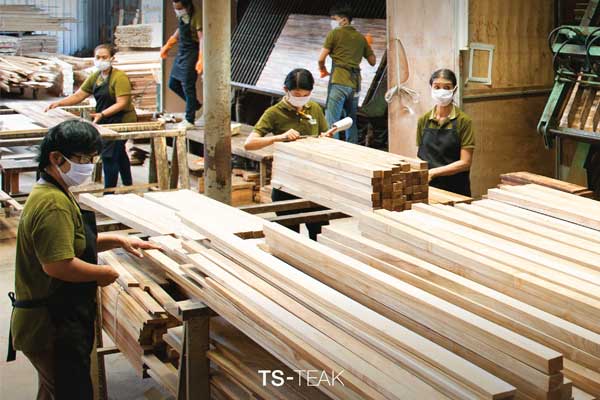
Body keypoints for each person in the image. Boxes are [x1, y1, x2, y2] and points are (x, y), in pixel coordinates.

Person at [6, 120, 160, 400]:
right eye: (83, 159)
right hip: (51, 325)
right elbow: (58, 265)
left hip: (50, 319)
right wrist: (105, 273)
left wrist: (119, 241)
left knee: (52, 391)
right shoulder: (52, 204)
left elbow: (69, 244)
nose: (89, 166)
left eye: (93, 158)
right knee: (69, 392)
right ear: (56, 158)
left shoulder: (53, 191)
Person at [245, 69, 334, 240]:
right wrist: (280, 137)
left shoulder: (314, 108)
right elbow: (249, 144)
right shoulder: (274, 113)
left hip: (313, 181)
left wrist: (325, 138)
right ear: (286, 90)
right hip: (286, 183)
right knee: (290, 235)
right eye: (297, 95)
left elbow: (324, 134)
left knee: (319, 233)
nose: (301, 99)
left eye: (305, 95)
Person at [46, 44, 136, 189]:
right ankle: (128, 184)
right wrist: (59, 103)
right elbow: (79, 95)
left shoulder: (119, 77)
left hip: (122, 119)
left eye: (104, 57)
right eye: (98, 57)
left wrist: (102, 113)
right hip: (104, 118)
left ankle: (109, 192)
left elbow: (122, 103)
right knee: (118, 152)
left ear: (112, 58)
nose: (101, 60)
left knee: (109, 155)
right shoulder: (96, 77)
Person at [318, 3, 376, 144]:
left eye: (334, 19)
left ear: (344, 20)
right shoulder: (360, 38)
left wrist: (323, 69)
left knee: (332, 120)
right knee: (351, 119)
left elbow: (321, 58)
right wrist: (367, 46)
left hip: (339, 81)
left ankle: (332, 149)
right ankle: (352, 147)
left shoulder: (334, 34)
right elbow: (373, 61)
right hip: (355, 85)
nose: (332, 23)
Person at [416, 69, 475, 196]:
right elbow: (420, 156)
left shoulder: (463, 121)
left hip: (455, 188)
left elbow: (465, 163)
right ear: (431, 88)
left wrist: (433, 172)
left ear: (454, 89)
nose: (441, 91)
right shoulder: (424, 120)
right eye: (437, 87)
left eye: (447, 87)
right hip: (428, 187)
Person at [160, 0, 203, 130]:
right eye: (175, 8)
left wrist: (201, 58)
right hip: (182, 51)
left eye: (179, 8)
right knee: (173, 84)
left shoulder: (197, 16)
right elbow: (180, 28)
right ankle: (195, 106)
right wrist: (168, 44)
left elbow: (202, 38)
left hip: (192, 51)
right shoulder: (183, 15)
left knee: (187, 85)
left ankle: (190, 119)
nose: (177, 11)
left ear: (187, 6)